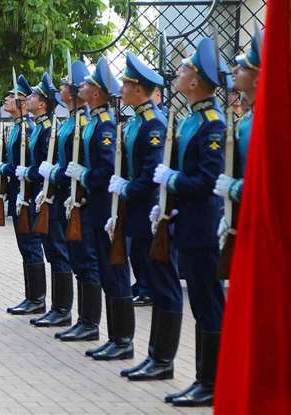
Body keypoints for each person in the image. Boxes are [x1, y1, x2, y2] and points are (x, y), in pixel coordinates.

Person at [152, 37, 227, 407]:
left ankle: (211, 383)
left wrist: (173, 181)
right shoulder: (192, 119)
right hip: (189, 223)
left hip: (204, 227)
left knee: (208, 304)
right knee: (200, 302)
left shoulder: (212, 123)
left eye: (183, 69)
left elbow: (207, 181)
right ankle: (202, 378)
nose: (178, 74)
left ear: (195, 80)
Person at [110, 53, 183, 380]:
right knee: (153, 283)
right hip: (138, 216)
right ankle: (154, 356)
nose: (122, 89)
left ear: (139, 89)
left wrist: (126, 188)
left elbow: (151, 176)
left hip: (153, 215)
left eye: (126, 84)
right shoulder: (137, 121)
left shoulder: (153, 123)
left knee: (163, 286)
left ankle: (163, 360)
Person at [57, 59, 133, 362]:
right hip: (93, 206)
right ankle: (104, 332)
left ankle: (121, 339)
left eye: (87, 84)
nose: (81, 87)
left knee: (114, 272)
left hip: (104, 206)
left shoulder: (103, 125)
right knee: (102, 269)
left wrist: (84, 176)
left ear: (97, 92)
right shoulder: (93, 122)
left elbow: (105, 169)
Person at [0, 74, 46, 315]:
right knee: (24, 246)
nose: (6, 100)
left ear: (22, 102)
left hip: (28, 195)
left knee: (31, 245)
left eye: (11, 96)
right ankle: (31, 296)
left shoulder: (28, 128)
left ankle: (37, 299)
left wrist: (6, 168)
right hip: (18, 193)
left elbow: (25, 166)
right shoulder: (16, 128)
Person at [29, 70, 76, 328]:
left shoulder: (51, 128)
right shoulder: (49, 126)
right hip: (46, 194)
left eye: (34, 96)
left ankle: (63, 310)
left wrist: (43, 175)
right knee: (53, 252)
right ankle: (57, 308)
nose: (29, 98)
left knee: (59, 252)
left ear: (43, 103)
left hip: (58, 195)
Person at [214, 27, 262, 242]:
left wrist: (235, 189)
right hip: (244, 221)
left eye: (243, 67)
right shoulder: (247, 121)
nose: (234, 69)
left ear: (258, 78)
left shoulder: (270, 120)